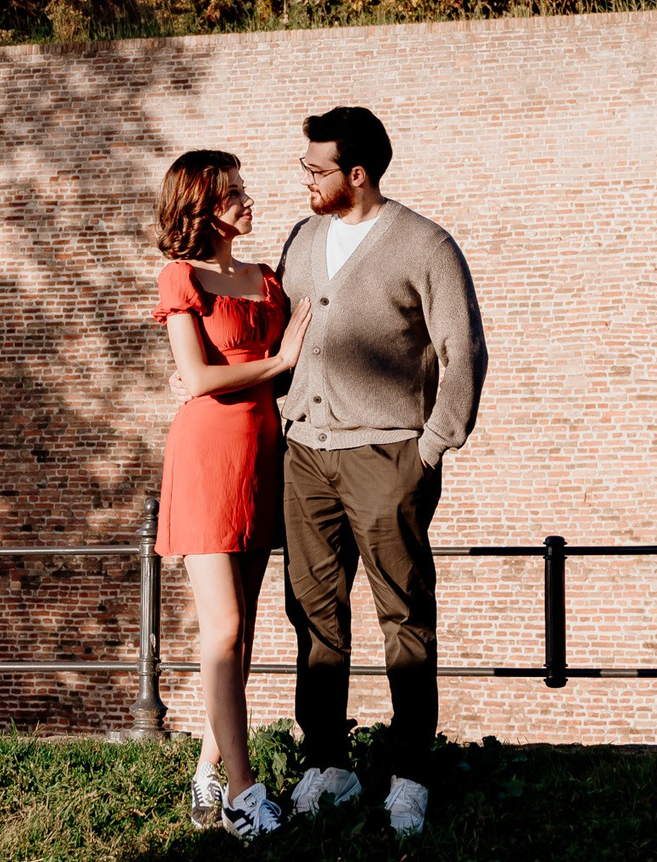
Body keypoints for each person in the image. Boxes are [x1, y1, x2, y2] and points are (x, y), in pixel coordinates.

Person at [274, 106, 486, 838]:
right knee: (312, 613)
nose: (304, 178)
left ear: (356, 174)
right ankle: (326, 760)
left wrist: (426, 450)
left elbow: (463, 351)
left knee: (404, 618)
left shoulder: (424, 244)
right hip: (304, 455)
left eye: (316, 168)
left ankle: (410, 773)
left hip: (386, 457)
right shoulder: (301, 238)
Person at [152, 149, 313, 839]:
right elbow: (195, 378)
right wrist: (279, 362)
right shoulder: (180, 275)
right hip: (207, 453)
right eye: (235, 193)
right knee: (221, 629)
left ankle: (207, 769)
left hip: (262, 455)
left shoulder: (265, 278)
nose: (249, 199)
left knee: (242, 632)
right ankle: (244, 795)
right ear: (203, 206)